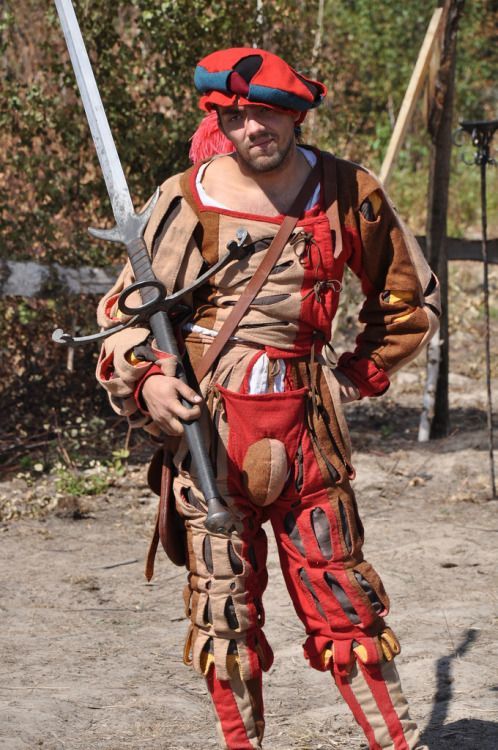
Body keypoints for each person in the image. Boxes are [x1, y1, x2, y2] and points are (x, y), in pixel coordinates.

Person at [95, 47, 440, 750]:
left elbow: (408, 299)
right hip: (209, 434)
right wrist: (149, 379)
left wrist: (359, 373)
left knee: (347, 604)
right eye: (239, 116)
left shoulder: (348, 192)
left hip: (311, 433)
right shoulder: (187, 199)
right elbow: (124, 316)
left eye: (269, 113)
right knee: (224, 616)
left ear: (296, 116)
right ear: (220, 120)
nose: (255, 127)